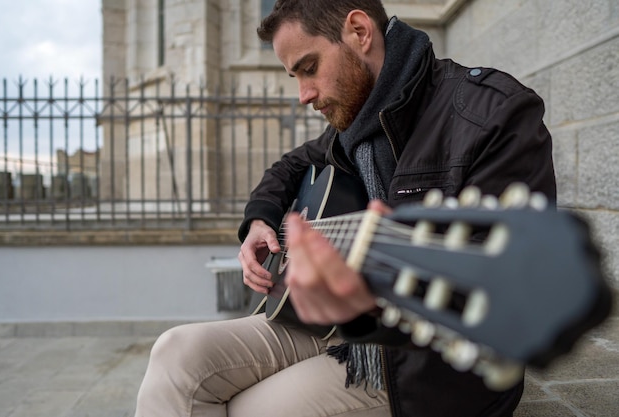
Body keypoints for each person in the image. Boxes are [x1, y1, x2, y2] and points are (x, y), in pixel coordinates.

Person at [134, 1, 556, 416]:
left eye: (309, 67)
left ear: (358, 31)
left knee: (247, 408)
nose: (303, 95)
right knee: (176, 355)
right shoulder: (358, 127)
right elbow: (290, 165)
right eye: (295, 76)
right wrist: (260, 219)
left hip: (427, 365)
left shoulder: (494, 114)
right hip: (332, 325)